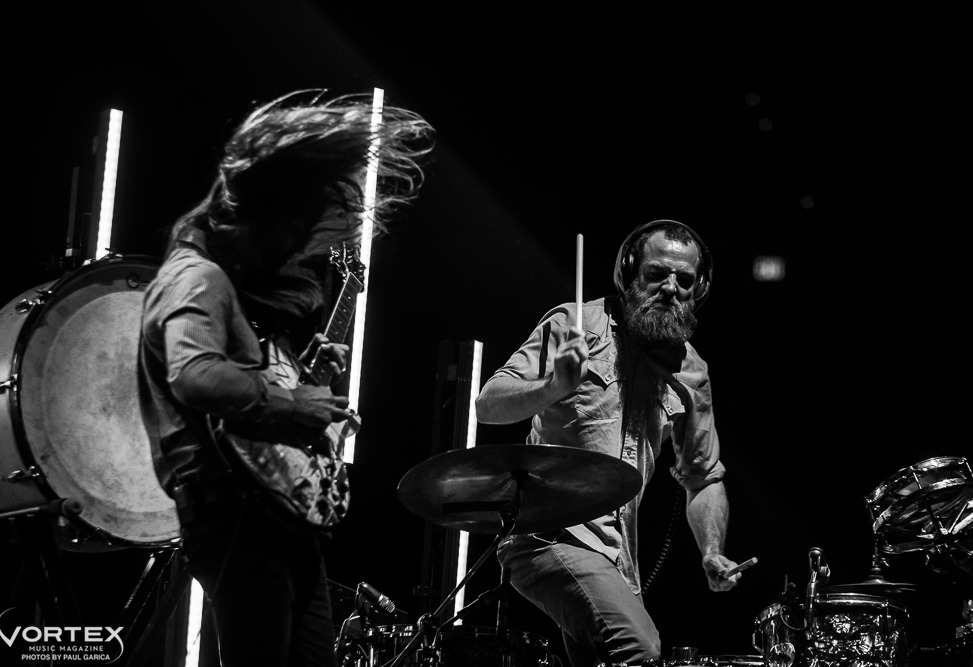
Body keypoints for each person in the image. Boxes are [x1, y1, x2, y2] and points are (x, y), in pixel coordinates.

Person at [138, 90, 434, 667]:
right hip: (238, 515)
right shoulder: (197, 278)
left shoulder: (220, 283)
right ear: (272, 215)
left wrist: (297, 375)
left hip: (273, 517)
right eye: (300, 232)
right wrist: (293, 404)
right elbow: (194, 375)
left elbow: (234, 386)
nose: (299, 252)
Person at [475, 220, 740, 667]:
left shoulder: (692, 370)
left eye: (685, 280)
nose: (670, 288)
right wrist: (553, 386)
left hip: (619, 560)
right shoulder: (574, 324)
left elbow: (703, 479)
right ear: (629, 272)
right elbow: (488, 405)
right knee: (640, 649)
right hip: (548, 533)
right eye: (657, 274)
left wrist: (712, 551)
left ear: (700, 288)